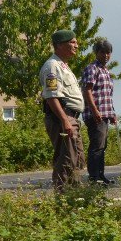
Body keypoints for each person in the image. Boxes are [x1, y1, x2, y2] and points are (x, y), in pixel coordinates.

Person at [39, 29, 86, 191]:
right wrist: (65, 121)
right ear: (59, 45)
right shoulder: (52, 66)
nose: (76, 46)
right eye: (72, 42)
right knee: (66, 158)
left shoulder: (63, 66)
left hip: (71, 117)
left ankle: (75, 195)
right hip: (62, 117)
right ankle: (63, 198)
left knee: (76, 158)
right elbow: (51, 96)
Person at [80, 38, 118, 185]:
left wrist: (112, 114)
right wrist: (94, 110)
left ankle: (101, 175)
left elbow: (107, 95)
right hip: (96, 114)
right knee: (97, 146)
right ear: (96, 53)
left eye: (108, 52)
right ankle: (94, 177)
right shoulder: (92, 68)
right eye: (103, 52)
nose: (106, 55)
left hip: (105, 114)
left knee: (102, 146)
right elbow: (87, 90)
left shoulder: (106, 71)